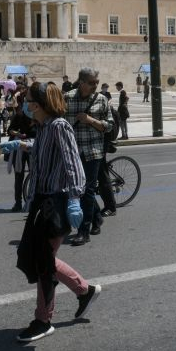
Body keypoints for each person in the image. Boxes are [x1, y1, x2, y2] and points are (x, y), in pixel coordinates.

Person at [15, 81, 100, 343]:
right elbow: (46, 155)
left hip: (58, 201)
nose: (25, 105)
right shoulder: (43, 128)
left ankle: (43, 319)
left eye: (28, 100)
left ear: (38, 104)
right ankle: (84, 290)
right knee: (37, 256)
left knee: (43, 261)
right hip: (42, 200)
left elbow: (73, 163)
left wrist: (74, 199)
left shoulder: (60, 126)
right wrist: (23, 146)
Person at [64, 68, 115, 245]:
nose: (95, 86)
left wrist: (91, 120)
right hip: (73, 152)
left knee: (88, 190)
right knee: (80, 189)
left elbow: (109, 126)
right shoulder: (67, 98)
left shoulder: (101, 100)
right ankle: (97, 217)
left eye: (97, 82)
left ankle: (83, 232)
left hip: (94, 152)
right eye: (92, 83)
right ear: (82, 82)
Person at [7, 97, 36, 212]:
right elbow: (10, 130)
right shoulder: (19, 116)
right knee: (18, 176)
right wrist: (18, 134)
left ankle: (32, 201)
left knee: (34, 175)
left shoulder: (37, 116)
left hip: (33, 147)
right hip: (20, 147)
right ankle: (18, 202)